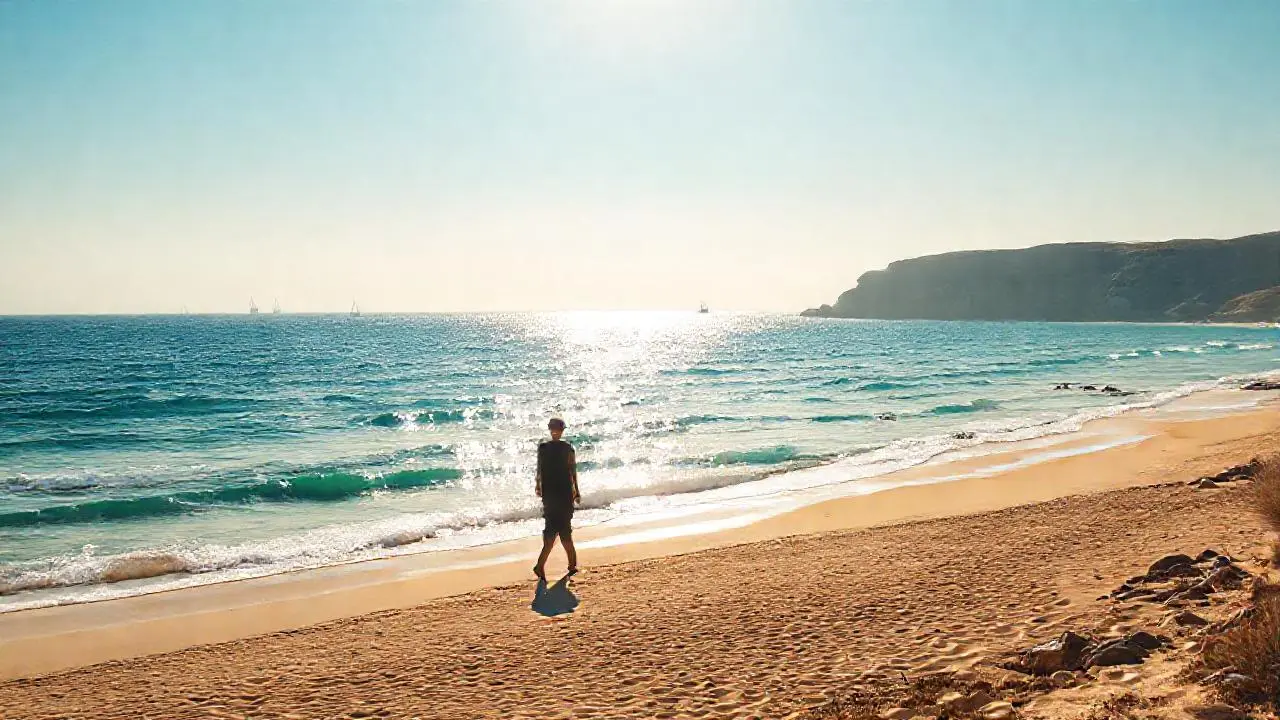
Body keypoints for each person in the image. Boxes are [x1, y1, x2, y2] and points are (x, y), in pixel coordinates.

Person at [533, 417, 580, 581]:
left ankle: (567, 565)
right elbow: (572, 470)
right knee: (563, 531)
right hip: (560, 493)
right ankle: (570, 565)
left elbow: (539, 470)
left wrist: (538, 485)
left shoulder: (546, 447)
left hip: (553, 493)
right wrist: (576, 490)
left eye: (556, 429)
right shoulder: (566, 448)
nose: (555, 432)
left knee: (553, 532)